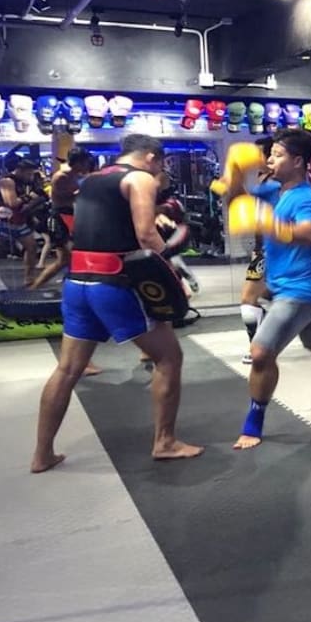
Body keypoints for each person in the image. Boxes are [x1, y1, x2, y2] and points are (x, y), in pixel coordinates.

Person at [31, 134, 204, 473]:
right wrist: (173, 274)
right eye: (160, 165)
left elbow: (101, 221)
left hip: (77, 282)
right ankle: (165, 442)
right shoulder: (140, 178)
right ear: (152, 157)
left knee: (67, 369)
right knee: (169, 358)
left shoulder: (93, 180)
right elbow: (146, 235)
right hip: (114, 283)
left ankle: (42, 454)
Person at [224, 128, 311, 450]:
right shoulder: (274, 190)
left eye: (278, 155)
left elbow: (310, 233)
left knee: (260, 353)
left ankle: (253, 422)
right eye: (270, 154)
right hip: (289, 285)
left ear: (298, 161)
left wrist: (269, 224)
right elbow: (236, 200)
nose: (270, 160)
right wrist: (234, 172)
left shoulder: (307, 198)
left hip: (301, 289)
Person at [29, 148, 97, 290]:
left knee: (70, 257)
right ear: (79, 163)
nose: (87, 166)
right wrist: (85, 190)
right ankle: (34, 287)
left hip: (68, 216)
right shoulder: (62, 176)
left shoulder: (74, 176)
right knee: (65, 259)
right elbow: (65, 197)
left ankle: (68, 285)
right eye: (85, 163)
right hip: (59, 217)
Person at [0, 156, 48, 288]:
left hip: (18, 220)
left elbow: (22, 207)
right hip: (1, 220)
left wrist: (37, 201)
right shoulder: (7, 181)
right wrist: (30, 196)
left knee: (32, 246)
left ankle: (29, 278)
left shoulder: (23, 183)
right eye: (28, 173)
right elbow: (11, 203)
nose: (30, 177)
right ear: (20, 171)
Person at [237, 137, 274, 364]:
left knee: (248, 299)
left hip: (274, 249)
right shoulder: (262, 179)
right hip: (262, 250)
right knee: (255, 297)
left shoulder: (278, 184)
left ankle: (259, 348)